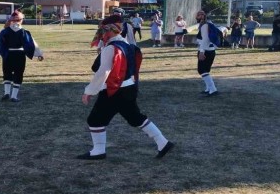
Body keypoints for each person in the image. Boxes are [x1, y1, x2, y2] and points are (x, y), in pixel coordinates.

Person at [78, 15, 174, 160]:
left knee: (95, 120)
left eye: (102, 30)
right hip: (129, 88)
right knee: (135, 118)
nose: (100, 33)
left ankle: (98, 150)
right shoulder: (128, 45)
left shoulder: (111, 48)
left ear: (108, 31)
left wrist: (89, 91)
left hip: (115, 90)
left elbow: (103, 71)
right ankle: (163, 142)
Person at [0, 10, 44, 102]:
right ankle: (14, 96)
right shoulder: (24, 32)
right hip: (19, 55)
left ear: (11, 20)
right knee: (18, 74)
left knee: (7, 73)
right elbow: (32, 44)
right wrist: (39, 54)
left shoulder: (3, 32)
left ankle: (7, 92)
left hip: (7, 55)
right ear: (21, 20)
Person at [195, 10, 219, 96]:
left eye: (198, 15)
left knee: (201, 69)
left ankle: (212, 89)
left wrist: (201, 52)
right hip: (211, 50)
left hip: (205, 51)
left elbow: (205, 39)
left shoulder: (204, 25)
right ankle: (208, 88)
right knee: (206, 70)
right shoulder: (209, 24)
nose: (197, 16)